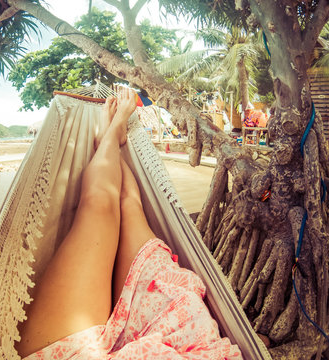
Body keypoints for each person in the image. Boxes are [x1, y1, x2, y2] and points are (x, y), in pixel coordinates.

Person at [16, 88, 242, 359]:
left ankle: (108, 139)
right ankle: (111, 140)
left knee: (99, 203)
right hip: (172, 329)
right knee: (129, 206)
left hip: (77, 351)